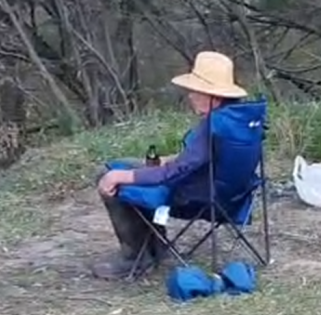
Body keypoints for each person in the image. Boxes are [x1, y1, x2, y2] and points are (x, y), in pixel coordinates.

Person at [91, 51, 248, 280]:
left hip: (195, 197)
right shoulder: (238, 121)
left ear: (212, 96)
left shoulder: (214, 126)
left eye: (195, 92)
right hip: (230, 195)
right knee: (125, 164)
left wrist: (121, 177)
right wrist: (172, 159)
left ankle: (136, 256)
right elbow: (202, 159)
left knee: (109, 177)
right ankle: (155, 245)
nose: (190, 96)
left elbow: (172, 173)